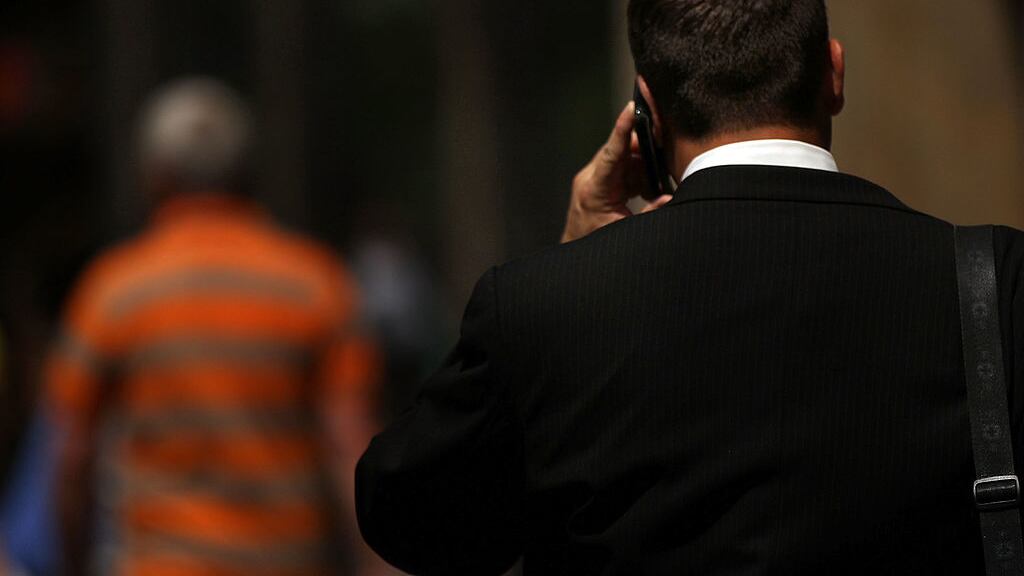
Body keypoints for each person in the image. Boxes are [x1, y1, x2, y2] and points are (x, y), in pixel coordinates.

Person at [355, 0, 1024, 574]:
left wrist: (571, 263)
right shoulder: (995, 280)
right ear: (835, 72)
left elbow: (409, 519)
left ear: (645, 110)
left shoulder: (542, 306)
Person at [46, 78, 389, 576]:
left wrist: (71, 562)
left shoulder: (114, 292)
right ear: (247, 172)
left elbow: (72, 457)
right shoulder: (314, 284)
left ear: (155, 176)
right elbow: (351, 447)